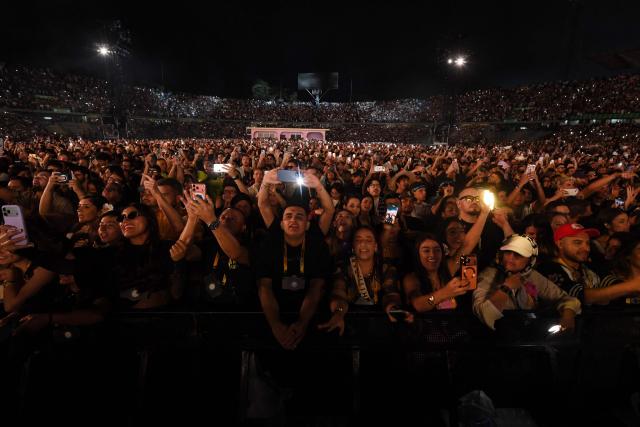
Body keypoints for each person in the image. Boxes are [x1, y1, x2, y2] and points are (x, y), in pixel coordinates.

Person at [472, 234, 581, 330]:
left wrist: (568, 315)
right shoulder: (488, 275)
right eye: (507, 252)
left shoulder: (531, 275)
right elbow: (484, 314)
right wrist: (506, 287)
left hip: (528, 335)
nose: (510, 258)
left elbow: (566, 299)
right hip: (498, 338)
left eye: (518, 255)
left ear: (530, 260)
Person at [320, 226, 410, 336]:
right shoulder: (343, 267)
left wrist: (394, 310)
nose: (363, 244)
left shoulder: (385, 267)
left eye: (368, 240)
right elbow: (339, 293)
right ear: (353, 246)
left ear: (376, 246)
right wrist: (338, 313)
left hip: (380, 325)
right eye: (358, 240)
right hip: (348, 324)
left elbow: (390, 294)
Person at [403, 234, 472, 312]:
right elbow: (418, 304)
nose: (432, 255)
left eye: (437, 250)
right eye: (426, 251)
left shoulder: (448, 270)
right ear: (418, 255)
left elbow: (467, 246)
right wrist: (444, 293)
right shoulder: (411, 278)